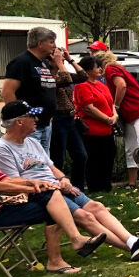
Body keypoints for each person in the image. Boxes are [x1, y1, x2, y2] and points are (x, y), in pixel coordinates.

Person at [0, 101, 139, 260]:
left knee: (96, 206)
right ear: (19, 122)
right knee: (84, 216)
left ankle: (133, 242)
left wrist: (63, 179)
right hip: (41, 194)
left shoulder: (31, 142)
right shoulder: (1, 149)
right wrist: (52, 186)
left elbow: (51, 167)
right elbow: (13, 182)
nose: (36, 119)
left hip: (57, 186)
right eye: (31, 116)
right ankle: (133, 247)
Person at [0, 118, 105, 274]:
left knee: (52, 203)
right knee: (53, 207)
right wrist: (33, 189)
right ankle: (60, 256)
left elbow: (5, 180)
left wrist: (35, 182)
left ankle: (68, 248)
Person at [1, 27, 58, 153]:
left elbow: (48, 85)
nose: (54, 46)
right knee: (31, 160)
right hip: (29, 125)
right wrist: (18, 118)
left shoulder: (44, 63)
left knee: (43, 160)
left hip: (45, 123)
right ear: (40, 43)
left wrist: (55, 67)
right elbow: (7, 92)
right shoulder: (21, 62)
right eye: (51, 42)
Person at [96, 48, 139, 187]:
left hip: (136, 110)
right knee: (132, 147)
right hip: (132, 112)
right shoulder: (117, 68)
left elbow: (121, 85)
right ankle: (133, 182)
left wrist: (116, 105)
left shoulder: (110, 69)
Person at [46, 45, 88, 190]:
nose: (62, 58)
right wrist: (59, 63)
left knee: (81, 155)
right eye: (59, 56)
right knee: (58, 157)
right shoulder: (49, 77)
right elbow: (67, 79)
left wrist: (70, 60)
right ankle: (58, 187)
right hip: (58, 119)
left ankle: (77, 188)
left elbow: (83, 76)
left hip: (70, 119)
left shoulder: (62, 73)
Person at [72, 56, 117, 192]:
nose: (100, 69)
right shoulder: (82, 86)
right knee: (94, 159)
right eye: (96, 67)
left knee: (108, 157)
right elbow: (88, 108)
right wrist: (106, 119)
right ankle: (95, 187)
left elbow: (111, 103)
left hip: (107, 129)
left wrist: (114, 115)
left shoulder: (101, 85)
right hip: (92, 130)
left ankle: (106, 185)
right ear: (87, 70)